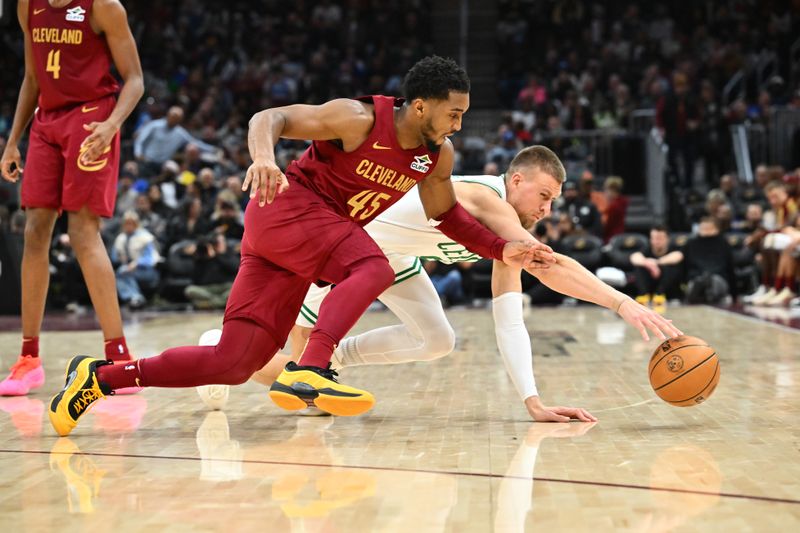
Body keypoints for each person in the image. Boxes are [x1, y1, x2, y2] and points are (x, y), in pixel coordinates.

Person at [48, 56, 551, 436]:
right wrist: (264, 158)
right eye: (454, 113)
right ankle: (312, 369)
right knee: (373, 267)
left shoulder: (435, 156)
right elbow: (270, 118)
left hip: (306, 244)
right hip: (286, 210)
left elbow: (446, 216)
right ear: (420, 106)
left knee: (234, 361)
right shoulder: (356, 118)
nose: (459, 124)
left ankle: (101, 377)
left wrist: (499, 250)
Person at [201, 146, 681, 422]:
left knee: (436, 339)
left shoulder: (507, 236)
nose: (547, 210)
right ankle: (214, 352)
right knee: (284, 378)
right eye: (544, 196)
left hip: (390, 258)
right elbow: (549, 266)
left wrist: (532, 402)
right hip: (335, 245)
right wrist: (622, 304)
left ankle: (336, 360)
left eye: (554, 201)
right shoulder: (484, 198)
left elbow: (509, 321)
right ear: (515, 180)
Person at [0, 0, 144, 396]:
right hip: (46, 123)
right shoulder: (28, 6)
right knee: (34, 231)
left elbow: (135, 80)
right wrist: (13, 142)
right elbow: (32, 78)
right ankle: (28, 359)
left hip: (92, 117)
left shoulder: (104, 7)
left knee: (82, 232)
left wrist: (112, 125)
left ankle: (119, 357)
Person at [629, 225, 685, 306]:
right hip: (650, 287)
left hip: (668, 291)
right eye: (654, 238)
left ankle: (660, 294)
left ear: (667, 239)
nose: (656, 241)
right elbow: (634, 257)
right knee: (639, 268)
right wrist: (648, 264)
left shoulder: (674, 249)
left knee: (671, 267)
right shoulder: (647, 249)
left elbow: (678, 256)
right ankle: (643, 295)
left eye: (660, 238)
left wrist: (656, 262)